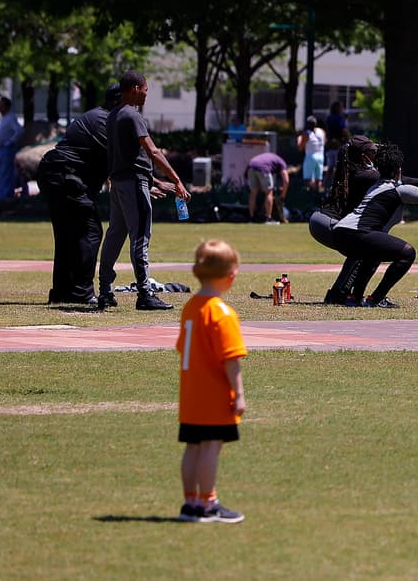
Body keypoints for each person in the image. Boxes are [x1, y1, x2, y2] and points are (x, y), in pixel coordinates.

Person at [330, 142, 418, 307]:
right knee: (407, 253)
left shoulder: (376, 184)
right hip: (356, 232)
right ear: (399, 170)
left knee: (373, 253)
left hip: (340, 231)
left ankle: (355, 297)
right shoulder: (398, 189)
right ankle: (376, 299)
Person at [97, 71, 191, 311]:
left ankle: (104, 290)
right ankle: (145, 294)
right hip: (133, 183)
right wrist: (177, 180)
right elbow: (152, 151)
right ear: (136, 88)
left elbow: (123, 156)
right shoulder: (132, 114)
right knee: (140, 236)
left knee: (115, 235)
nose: (147, 95)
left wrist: (154, 182)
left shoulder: (113, 115)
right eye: (146, 90)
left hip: (118, 183)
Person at [176, 239, 247, 523]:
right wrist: (238, 393)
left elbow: (183, 347)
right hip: (213, 392)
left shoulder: (190, 307)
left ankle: (190, 502)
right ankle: (208, 503)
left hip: (191, 392)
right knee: (211, 447)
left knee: (193, 447)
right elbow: (231, 359)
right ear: (231, 275)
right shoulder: (223, 314)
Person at [36, 83, 123, 304]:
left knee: (67, 234)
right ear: (117, 101)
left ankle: (63, 291)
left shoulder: (96, 116)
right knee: (90, 231)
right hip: (66, 175)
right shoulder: (105, 121)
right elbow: (119, 159)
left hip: (55, 173)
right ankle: (82, 292)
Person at [307, 136, 380, 304]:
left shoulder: (354, 171)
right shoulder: (366, 175)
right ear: (363, 155)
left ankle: (351, 294)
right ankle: (338, 294)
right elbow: (397, 181)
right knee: (364, 248)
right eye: (374, 152)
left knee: (370, 250)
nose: (377, 154)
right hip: (327, 222)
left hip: (321, 220)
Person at [0, 95, 24, 200]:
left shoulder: (11, 117)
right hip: (1, 150)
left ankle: (5, 197)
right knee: (2, 173)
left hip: (7, 150)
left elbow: (19, 130)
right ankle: (3, 194)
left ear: (6, 106)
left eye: (0, 104)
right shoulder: (5, 118)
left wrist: (10, 142)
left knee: (6, 173)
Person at [245, 151, 289, 223]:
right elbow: (286, 180)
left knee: (253, 193)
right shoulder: (282, 163)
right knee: (269, 193)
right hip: (263, 168)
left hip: (251, 166)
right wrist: (283, 195)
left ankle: (251, 218)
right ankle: (268, 218)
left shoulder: (271, 158)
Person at [296, 116, 326, 192]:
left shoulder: (307, 134)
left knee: (308, 179)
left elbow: (300, 147)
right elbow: (325, 142)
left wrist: (299, 138)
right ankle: (318, 195)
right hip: (321, 156)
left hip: (310, 157)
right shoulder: (321, 131)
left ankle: (311, 195)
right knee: (318, 179)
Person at [324, 101, 350, 179]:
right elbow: (344, 130)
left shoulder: (329, 118)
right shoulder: (339, 118)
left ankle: (324, 186)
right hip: (338, 146)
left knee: (330, 169)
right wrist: (350, 139)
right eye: (341, 107)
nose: (342, 108)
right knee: (340, 168)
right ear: (338, 108)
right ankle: (337, 187)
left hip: (329, 146)